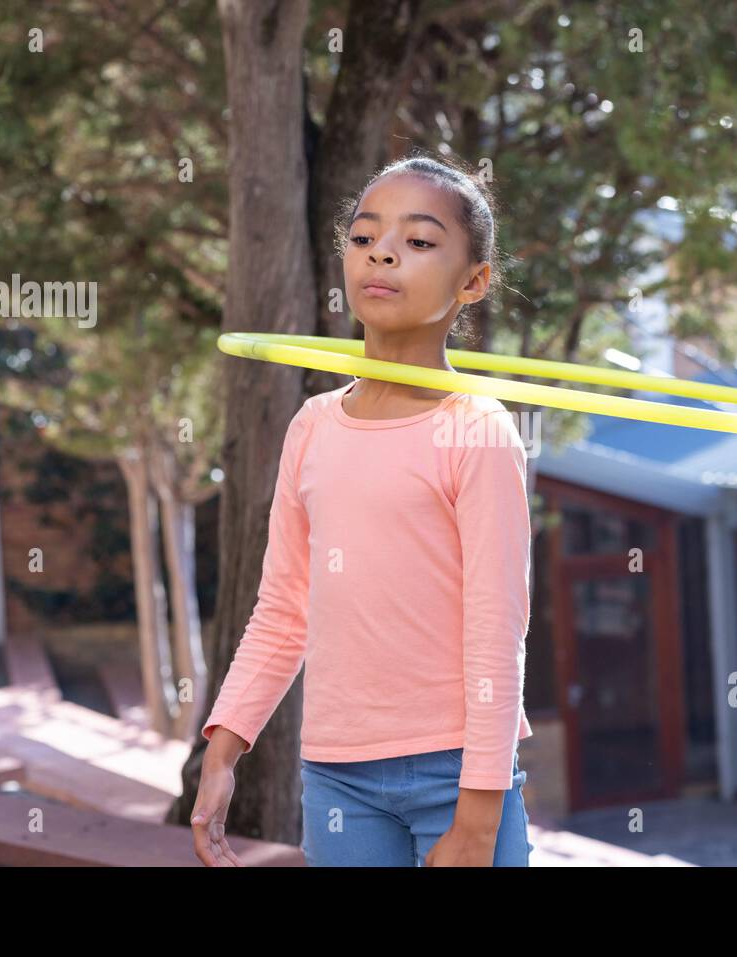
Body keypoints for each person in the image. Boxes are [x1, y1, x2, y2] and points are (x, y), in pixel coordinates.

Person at [191, 152, 535, 867]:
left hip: (459, 774)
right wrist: (223, 750)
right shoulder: (313, 426)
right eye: (364, 236)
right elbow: (284, 606)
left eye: (418, 241)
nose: (381, 252)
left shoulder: (477, 430)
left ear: (473, 281)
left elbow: (497, 629)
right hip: (337, 778)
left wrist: (477, 816)